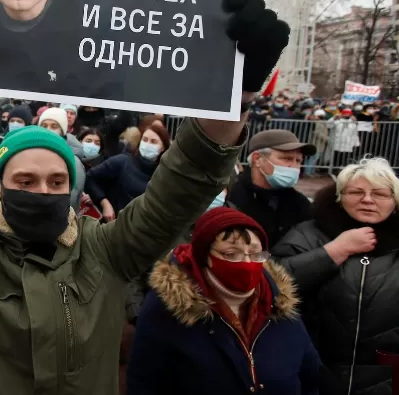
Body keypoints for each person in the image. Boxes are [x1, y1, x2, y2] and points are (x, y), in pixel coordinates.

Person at [0, 0, 289, 393]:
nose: (42, 191)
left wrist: (236, 90)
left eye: (57, 181)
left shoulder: (108, 251)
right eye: (25, 181)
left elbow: (179, 192)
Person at [127, 208, 320, 395]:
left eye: (255, 253)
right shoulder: (167, 310)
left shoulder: (278, 304)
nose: (247, 263)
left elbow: (312, 378)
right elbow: (143, 384)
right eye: (231, 254)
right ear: (205, 257)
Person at [273, 158, 399, 395]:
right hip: (315, 371)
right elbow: (273, 284)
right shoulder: (308, 234)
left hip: (386, 379)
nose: (367, 199)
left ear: (395, 201)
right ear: (340, 197)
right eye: (356, 192)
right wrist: (334, 251)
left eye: (380, 194)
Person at [225, 129, 314, 248]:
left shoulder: (299, 203)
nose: (294, 167)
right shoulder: (229, 196)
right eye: (286, 159)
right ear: (257, 159)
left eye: (298, 161)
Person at [85, 122, 171, 220]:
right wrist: (104, 203)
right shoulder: (123, 162)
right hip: (116, 223)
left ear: (163, 147)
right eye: (145, 139)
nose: (147, 144)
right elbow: (91, 177)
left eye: (153, 142)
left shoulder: (165, 175)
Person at [37, 107, 86, 211]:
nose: (48, 130)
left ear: (62, 131)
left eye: (54, 126)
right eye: (44, 126)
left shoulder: (73, 161)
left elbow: (72, 197)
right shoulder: (32, 153)